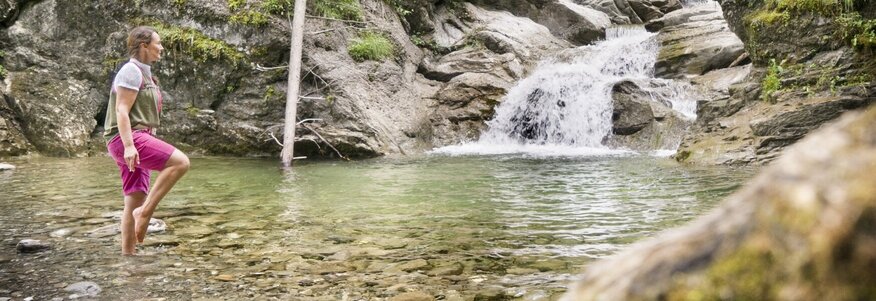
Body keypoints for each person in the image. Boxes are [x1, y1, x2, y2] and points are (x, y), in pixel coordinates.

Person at [104, 26, 190, 255]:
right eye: (158, 43)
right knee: (180, 162)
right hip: (128, 139)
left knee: (134, 200)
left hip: (133, 139)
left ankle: (128, 259)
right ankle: (145, 213)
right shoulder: (131, 71)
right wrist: (130, 146)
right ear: (144, 45)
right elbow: (122, 110)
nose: (161, 48)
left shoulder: (144, 72)